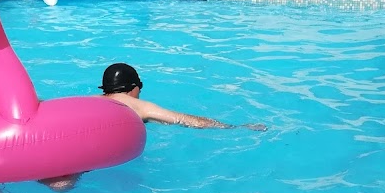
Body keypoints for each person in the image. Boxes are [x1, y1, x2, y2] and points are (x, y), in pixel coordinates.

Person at [99, 63, 266, 130]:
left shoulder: (95, 99)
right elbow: (183, 119)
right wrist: (235, 127)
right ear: (135, 87)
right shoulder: (139, 106)